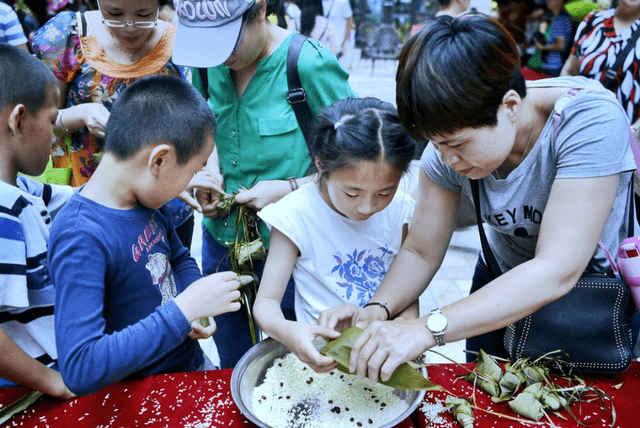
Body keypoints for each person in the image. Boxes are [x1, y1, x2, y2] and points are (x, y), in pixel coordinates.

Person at [318, 13, 636, 384]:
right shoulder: (448, 145)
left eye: (457, 145)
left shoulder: (588, 121)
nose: (448, 160)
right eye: (437, 145)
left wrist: (425, 329)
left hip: (586, 299)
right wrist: (376, 309)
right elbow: (421, 249)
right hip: (498, 282)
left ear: (511, 106)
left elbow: (556, 268)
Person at [172, 0, 357, 368]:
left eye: (227, 43)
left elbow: (357, 165)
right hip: (223, 243)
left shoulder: (306, 63)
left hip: (294, 250)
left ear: (259, 10)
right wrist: (208, 173)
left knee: (297, 364)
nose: (220, 57)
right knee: (236, 362)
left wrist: (289, 188)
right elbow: (215, 132)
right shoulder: (209, 63)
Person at [48, 75, 246, 396]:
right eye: (193, 171)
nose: (189, 184)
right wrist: (182, 311)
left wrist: (197, 301)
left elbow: (178, 257)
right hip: (135, 396)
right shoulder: (80, 235)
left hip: (186, 366)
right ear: (160, 159)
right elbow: (81, 367)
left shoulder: (147, 198)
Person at [253, 97, 417, 372]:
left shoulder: (401, 209)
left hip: (384, 356)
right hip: (321, 358)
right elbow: (267, 302)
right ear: (321, 166)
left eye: (384, 193)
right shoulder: (295, 214)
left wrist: (404, 329)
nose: (367, 207)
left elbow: (408, 288)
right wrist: (288, 331)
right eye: (352, 193)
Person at [30, 0, 197, 248]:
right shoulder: (67, 36)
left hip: (165, 206)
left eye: (143, 14)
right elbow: (34, 122)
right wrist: (81, 114)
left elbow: (194, 124)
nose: (129, 27)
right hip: (87, 206)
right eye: (114, 13)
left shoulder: (181, 44)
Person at [0, 44, 74, 398]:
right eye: (51, 121)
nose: (55, 135)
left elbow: (85, 200)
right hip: (24, 388)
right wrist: (54, 384)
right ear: (17, 120)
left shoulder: (20, 187)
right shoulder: (3, 213)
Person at [561, 0, 640, 136]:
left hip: (623, 136)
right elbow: (569, 70)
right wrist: (562, 106)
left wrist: (632, 135)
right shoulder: (593, 19)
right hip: (576, 125)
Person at [523, 0, 574, 77]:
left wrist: (541, 47)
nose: (548, 1)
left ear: (559, 1)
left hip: (552, 65)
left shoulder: (559, 20)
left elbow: (560, 45)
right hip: (552, 64)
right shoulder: (561, 17)